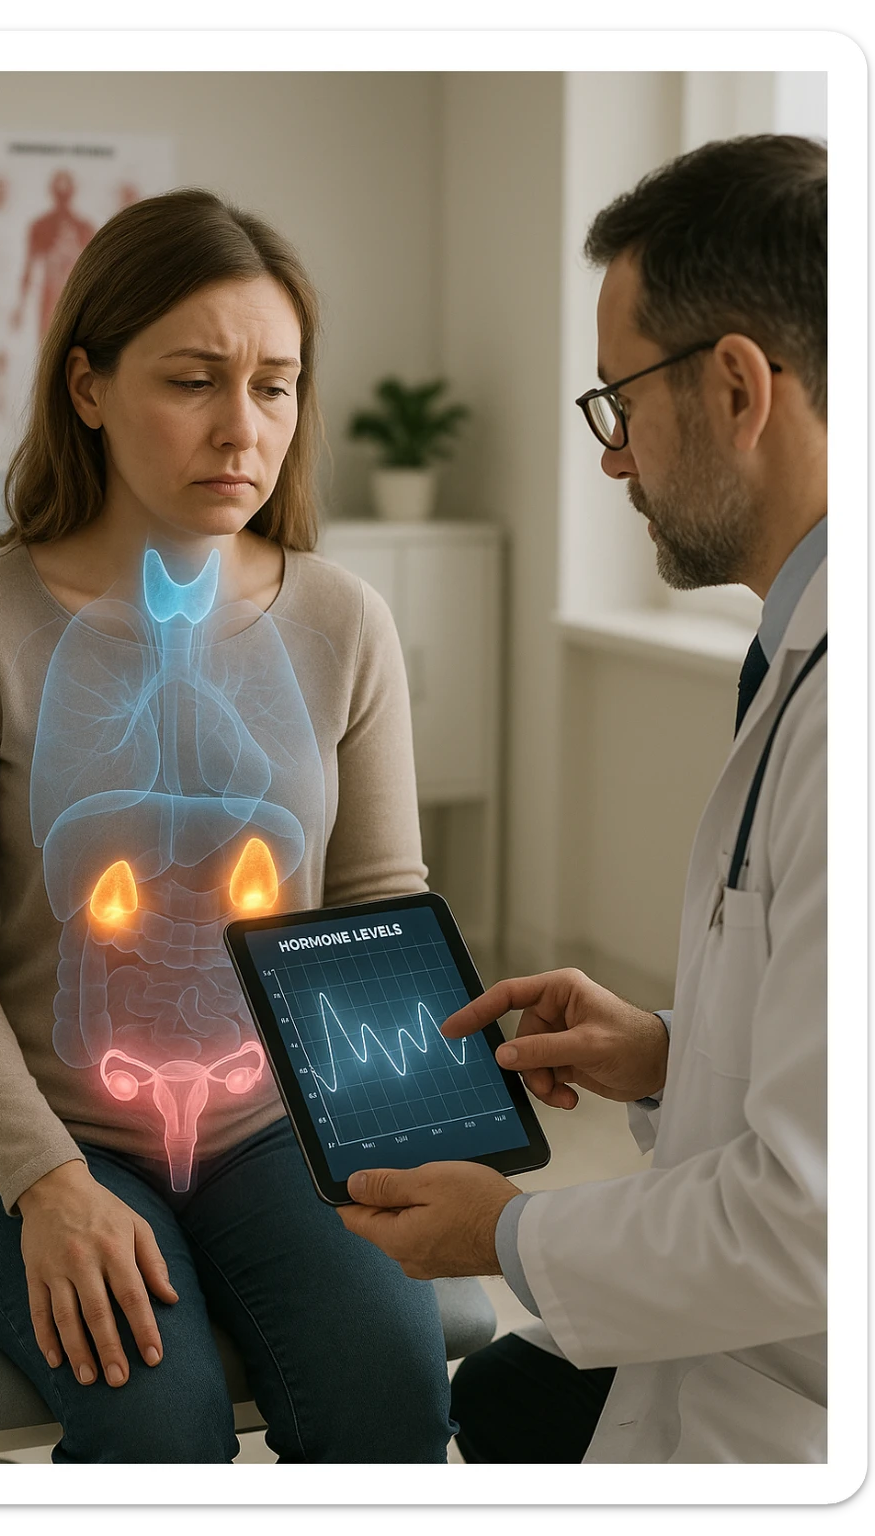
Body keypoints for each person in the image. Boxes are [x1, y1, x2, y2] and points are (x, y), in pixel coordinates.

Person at [0, 188, 454, 1464]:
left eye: (276, 387)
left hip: (278, 1131)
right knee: (160, 1421)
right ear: (87, 387)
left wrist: (431, 1143)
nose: (241, 430)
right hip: (32, 1141)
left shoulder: (342, 621)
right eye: (195, 380)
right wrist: (47, 1185)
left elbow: (379, 908)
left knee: (390, 1400)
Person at [339, 135, 828, 1465]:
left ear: (735, 387)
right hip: (746, 1343)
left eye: (619, 400)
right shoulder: (796, 656)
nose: (612, 460)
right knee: (503, 1404)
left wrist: (495, 1232)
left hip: (798, 1402)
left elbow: (814, 1223)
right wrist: (668, 1052)